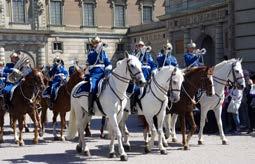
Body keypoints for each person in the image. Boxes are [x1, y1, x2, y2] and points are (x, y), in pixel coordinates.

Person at [85, 36, 112, 115]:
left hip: (104, 72)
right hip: (95, 73)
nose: (98, 44)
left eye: (98, 43)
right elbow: (91, 59)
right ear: (93, 44)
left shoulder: (103, 53)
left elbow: (107, 62)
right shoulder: (91, 52)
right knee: (92, 87)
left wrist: (109, 66)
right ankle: (90, 108)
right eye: (96, 43)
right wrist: (97, 50)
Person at [129, 40, 157, 114]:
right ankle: (133, 106)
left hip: (148, 77)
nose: (141, 47)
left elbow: (153, 64)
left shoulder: (148, 56)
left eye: (142, 46)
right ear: (137, 47)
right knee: (135, 90)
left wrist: (154, 70)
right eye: (139, 46)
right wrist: (140, 53)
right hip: (138, 78)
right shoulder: (135, 55)